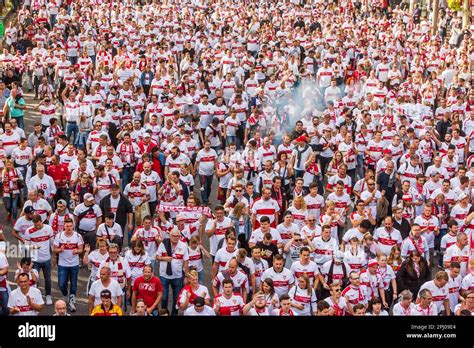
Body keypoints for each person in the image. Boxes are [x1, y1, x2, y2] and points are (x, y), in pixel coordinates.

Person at [52, 218, 84, 312]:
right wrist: (60, 250)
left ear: (73, 226)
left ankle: (71, 302)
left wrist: (77, 251)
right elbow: (54, 249)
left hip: (74, 264)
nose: (69, 228)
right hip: (62, 264)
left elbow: (81, 249)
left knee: (73, 284)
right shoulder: (59, 236)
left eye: (70, 226)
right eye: (67, 226)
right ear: (64, 226)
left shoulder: (78, 236)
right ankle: (66, 295)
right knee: (61, 284)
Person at [156, 228, 189, 315]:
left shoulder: (183, 245)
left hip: (177, 276)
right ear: (170, 236)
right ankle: (164, 313)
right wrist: (165, 258)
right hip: (164, 275)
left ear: (179, 236)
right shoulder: (163, 244)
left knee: (176, 298)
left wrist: (186, 276)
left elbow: (186, 262)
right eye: (173, 236)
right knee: (164, 297)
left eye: (177, 236)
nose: (175, 238)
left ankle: (174, 314)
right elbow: (157, 257)